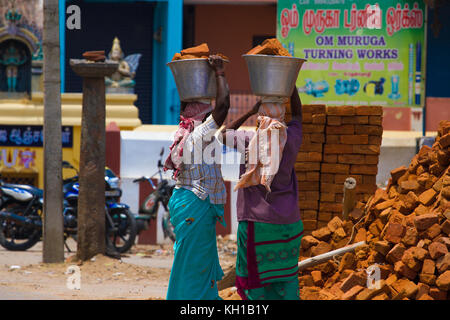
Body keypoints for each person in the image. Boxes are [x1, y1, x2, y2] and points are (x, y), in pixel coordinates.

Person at [221, 87, 304, 300]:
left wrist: (249, 112)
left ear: (260, 120)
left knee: (255, 282)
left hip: (257, 224)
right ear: (282, 118)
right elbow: (299, 115)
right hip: (288, 225)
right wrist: (290, 85)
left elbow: (223, 134)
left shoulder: (250, 142)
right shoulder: (292, 138)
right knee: (284, 279)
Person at [164, 55, 230, 300]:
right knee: (194, 264)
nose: (213, 116)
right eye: (209, 113)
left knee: (192, 260)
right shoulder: (198, 134)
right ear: (203, 116)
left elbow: (224, 122)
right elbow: (223, 108)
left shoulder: (185, 133)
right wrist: (220, 72)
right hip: (195, 203)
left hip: (188, 202)